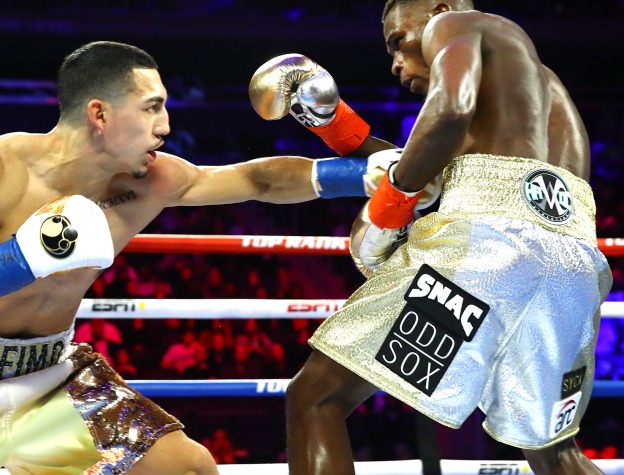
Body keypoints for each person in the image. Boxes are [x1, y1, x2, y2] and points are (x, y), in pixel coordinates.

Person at [0, 41, 376, 475]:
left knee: (190, 467)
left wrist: (362, 175)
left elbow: (257, 180)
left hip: (53, 381)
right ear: (100, 113)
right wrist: (25, 257)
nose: (166, 125)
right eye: (152, 107)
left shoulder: (150, 181)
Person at [250, 1, 613, 474]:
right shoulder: (533, 93)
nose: (397, 63)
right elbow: (444, 165)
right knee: (553, 451)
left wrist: (388, 208)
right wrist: (331, 122)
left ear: (438, 9)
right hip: (574, 264)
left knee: (316, 397)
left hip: (489, 244)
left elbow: (448, 115)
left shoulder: (457, 23)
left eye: (398, 41)